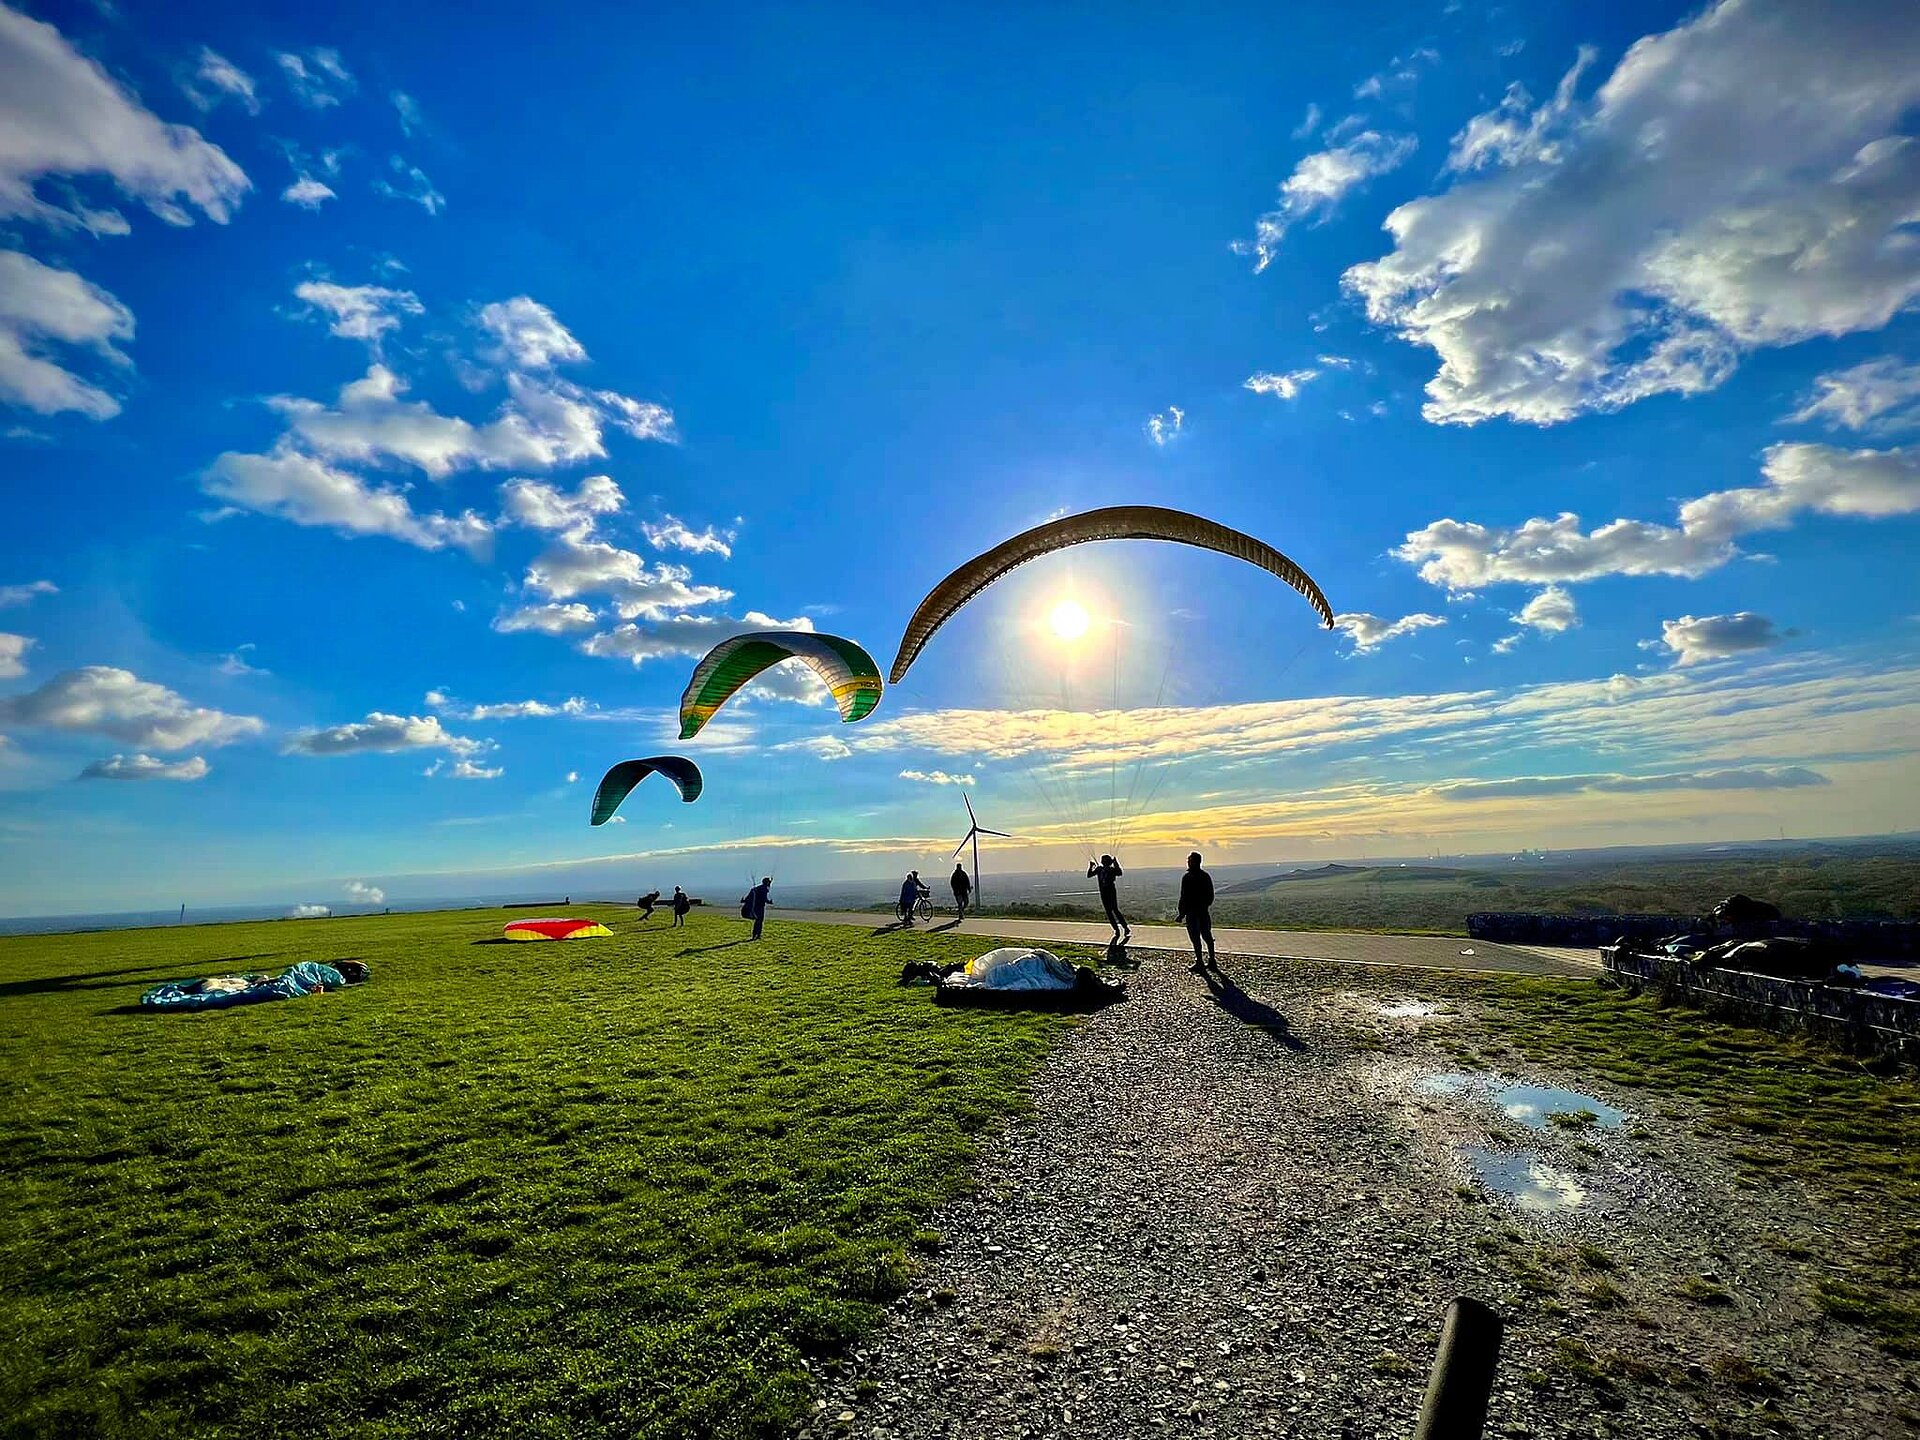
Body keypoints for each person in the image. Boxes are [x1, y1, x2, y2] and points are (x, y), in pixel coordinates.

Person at [1176, 850, 1215, 971]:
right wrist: (1205, 906)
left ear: (1194, 862)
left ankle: (1200, 961)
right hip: (1203, 911)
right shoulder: (1205, 876)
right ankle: (1211, 960)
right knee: (1207, 935)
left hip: (1193, 912)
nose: (1187, 862)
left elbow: (1184, 896)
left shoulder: (1187, 877)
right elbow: (1210, 895)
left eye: (1189, 860)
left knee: (1196, 937)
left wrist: (1181, 913)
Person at [1088, 854, 1129, 942]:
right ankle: (1120, 929)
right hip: (1106, 892)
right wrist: (1091, 867)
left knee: (1113, 910)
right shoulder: (1101, 869)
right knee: (1112, 911)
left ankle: (1121, 928)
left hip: (1109, 892)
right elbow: (1089, 875)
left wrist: (1091, 867)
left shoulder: (1108, 870)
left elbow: (1119, 873)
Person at [744, 876, 772, 940]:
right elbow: (764, 898)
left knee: (757, 921)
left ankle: (755, 935)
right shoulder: (764, 889)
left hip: (755, 907)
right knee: (759, 921)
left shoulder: (757, 888)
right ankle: (757, 935)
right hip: (760, 907)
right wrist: (769, 902)